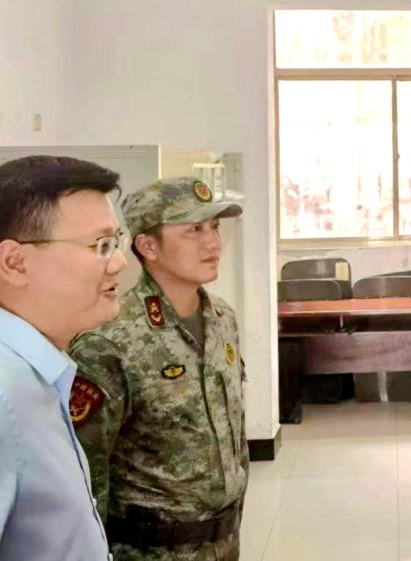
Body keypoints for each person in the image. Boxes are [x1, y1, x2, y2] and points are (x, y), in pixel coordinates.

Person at [0, 155, 125, 560]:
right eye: (100, 246)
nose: (119, 262)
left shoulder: (28, 373)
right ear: (15, 263)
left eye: (116, 242)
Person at [69, 177, 247, 561]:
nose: (213, 242)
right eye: (193, 230)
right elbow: (86, 475)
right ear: (148, 246)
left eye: (214, 227)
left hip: (225, 544)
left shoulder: (223, 318)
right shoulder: (110, 341)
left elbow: (234, 434)